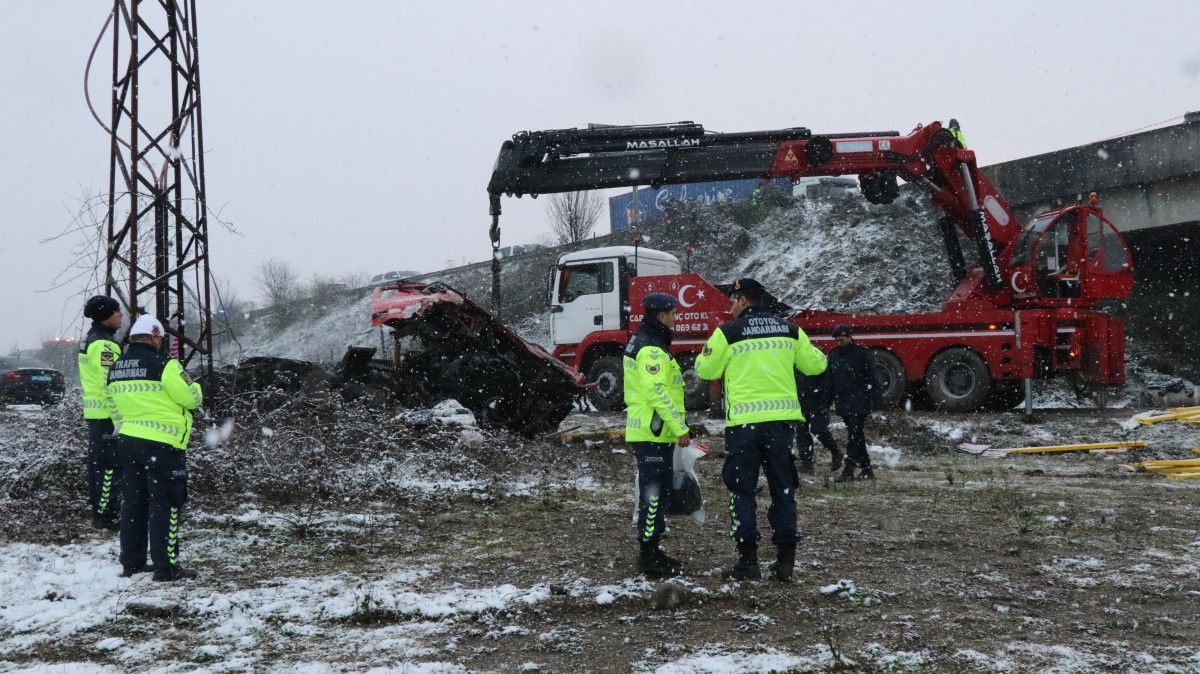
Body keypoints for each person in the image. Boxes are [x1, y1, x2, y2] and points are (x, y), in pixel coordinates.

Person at [695, 278, 827, 582]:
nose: (729, 306)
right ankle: (785, 563)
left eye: (731, 300)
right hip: (781, 426)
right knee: (783, 489)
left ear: (743, 300)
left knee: (742, 490)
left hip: (744, 427)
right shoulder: (790, 329)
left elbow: (706, 370)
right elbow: (816, 365)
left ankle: (748, 562)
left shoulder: (728, 332)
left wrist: (707, 353)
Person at [105, 316, 203, 582]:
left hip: (128, 441)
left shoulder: (116, 368)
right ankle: (166, 566)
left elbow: (112, 407)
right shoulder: (166, 365)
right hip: (163, 444)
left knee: (134, 504)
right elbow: (191, 398)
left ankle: (132, 563)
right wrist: (193, 385)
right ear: (154, 338)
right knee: (166, 503)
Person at [624, 292, 691, 578]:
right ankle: (649, 556)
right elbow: (657, 392)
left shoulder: (648, 340)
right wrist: (680, 427)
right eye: (673, 313)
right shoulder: (650, 348)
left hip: (654, 432)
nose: (675, 319)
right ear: (661, 315)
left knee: (658, 494)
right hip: (652, 432)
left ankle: (652, 550)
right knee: (653, 496)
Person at [79, 295, 124, 531]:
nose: (121, 316)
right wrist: (119, 419)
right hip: (107, 415)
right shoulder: (104, 345)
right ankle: (107, 516)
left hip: (97, 414)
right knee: (109, 467)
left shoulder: (92, 339)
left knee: (100, 466)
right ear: (107, 315)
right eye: (117, 312)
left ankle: (103, 512)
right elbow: (111, 384)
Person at [826, 325, 878, 482]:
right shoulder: (834, 355)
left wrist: (875, 400)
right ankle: (866, 468)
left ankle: (849, 469)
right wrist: (826, 402)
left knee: (854, 436)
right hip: (843, 402)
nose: (839, 343)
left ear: (850, 337)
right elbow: (830, 381)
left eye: (842, 339)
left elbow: (871, 378)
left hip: (859, 401)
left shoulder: (862, 353)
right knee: (857, 435)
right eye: (837, 340)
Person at [795, 370, 842, 473]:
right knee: (801, 432)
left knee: (818, 429)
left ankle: (835, 451)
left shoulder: (817, 357)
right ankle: (806, 462)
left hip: (818, 400)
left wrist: (827, 400)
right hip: (799, 400)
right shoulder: (793, 359)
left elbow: (828, 380)